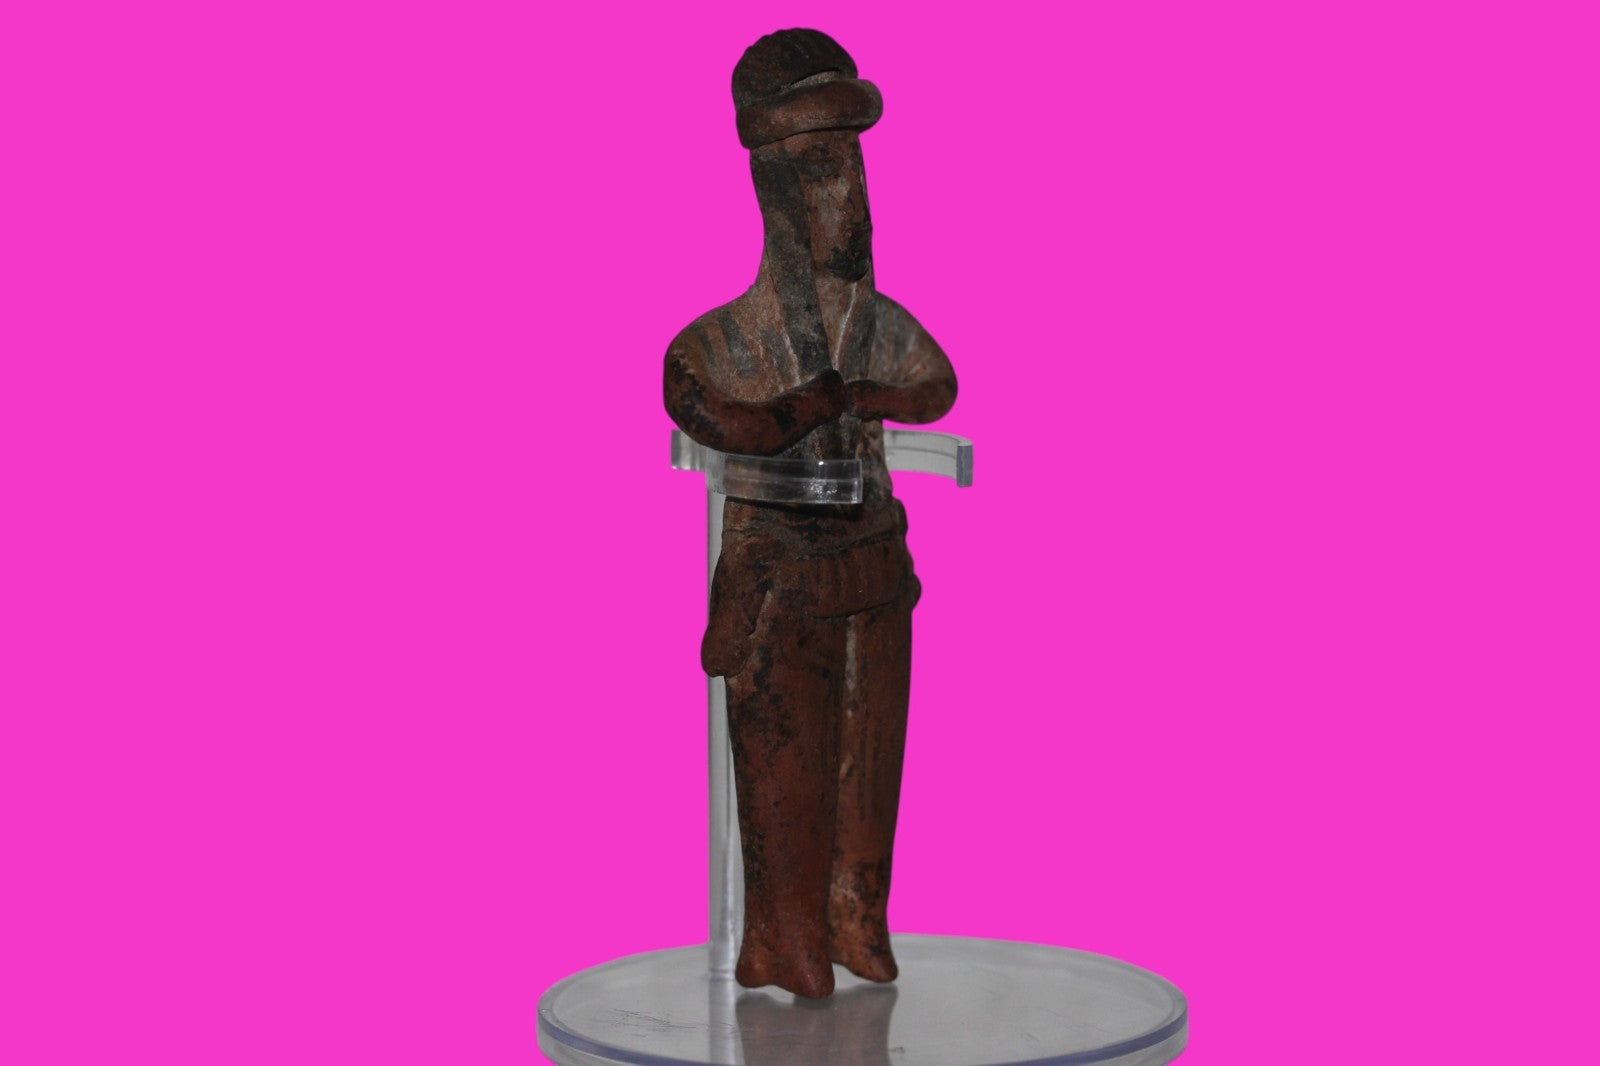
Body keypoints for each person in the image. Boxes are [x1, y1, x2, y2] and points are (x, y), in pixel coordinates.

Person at [663, 29, 957, 999]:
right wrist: (800, 410)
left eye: (855, 169)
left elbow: (936, 384)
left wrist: (864, 395)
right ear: (778, 189)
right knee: (787, 772)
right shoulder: (727, 341)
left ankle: (853, 917)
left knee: (867, 767)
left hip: (874, 562)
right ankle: (784, 938)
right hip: (779, 577)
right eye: (828, 172)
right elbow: (702, 403)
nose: (853, 198)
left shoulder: (872, 323)